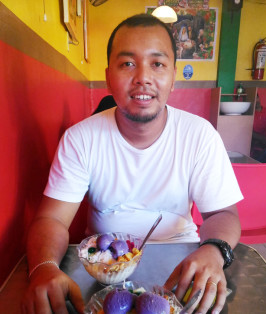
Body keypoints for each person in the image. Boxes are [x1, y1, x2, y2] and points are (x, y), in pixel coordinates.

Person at [22, 14, 242, 314]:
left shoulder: (200, 135)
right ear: (108, 76)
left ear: (173, 76)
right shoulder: (80, 138)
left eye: (157, 64)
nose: (143, 77)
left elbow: (223, 213)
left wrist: (214, 251)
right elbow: (52, 220)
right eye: (127, 64)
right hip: (102, 270)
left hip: (184, 266)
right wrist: (43, 267)